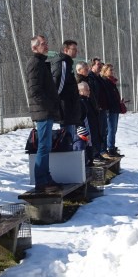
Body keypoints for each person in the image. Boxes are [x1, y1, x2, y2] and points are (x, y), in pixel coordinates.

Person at [26, 35, 62, 192]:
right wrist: (49, 106)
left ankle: (46, 178)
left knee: (46, 146)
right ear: (35, 48)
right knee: (43, 147)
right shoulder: (35, 63)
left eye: (46, 43)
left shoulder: (41, 63)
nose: (46, 46)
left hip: (46, 111)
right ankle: (41, 181)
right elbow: (35, 90)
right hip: (42, 112)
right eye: (42, 44)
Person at [48, 40, 81, 140]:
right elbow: (58, 84)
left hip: (69, 105)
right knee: (67, 135)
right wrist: (56, 100)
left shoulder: (68, 63)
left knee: (70, 133)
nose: (76, 51)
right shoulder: (63, 63)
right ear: (66, 50)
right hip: (65, 106)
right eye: (74, 49)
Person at [100, 63, 124, 158]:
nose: (112, 72)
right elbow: (107, 96)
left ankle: (111, 147)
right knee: (110, 129)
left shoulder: (111, 81)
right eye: (110, 70)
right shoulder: (105, 81)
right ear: (105, 71)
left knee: (113, 129)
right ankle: (110, 148)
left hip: (114, 108)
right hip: (110, 109)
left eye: (112, 70)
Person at [75, 82, 95, 167]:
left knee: (89, 142)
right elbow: (82, 115)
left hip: (88, 125)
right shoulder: (80, 101)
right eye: (87, 90)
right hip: (82, 126)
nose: (89, 92)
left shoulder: (87, 100)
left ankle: (90, 159)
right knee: (84, 142)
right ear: (81, 91)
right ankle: (86, 161)